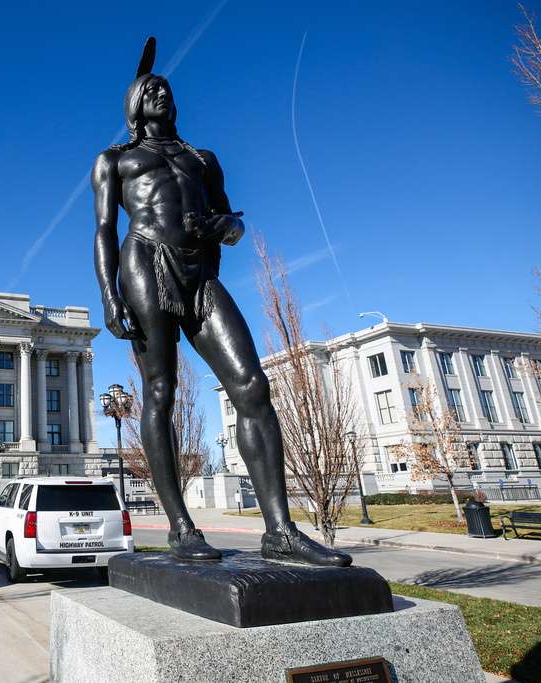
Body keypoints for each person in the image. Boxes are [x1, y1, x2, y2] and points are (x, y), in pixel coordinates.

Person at [92, 38, 350, 567]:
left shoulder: (202, 158)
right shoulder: (117, 160)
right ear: (134, 106)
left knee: (253, 385)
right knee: (160, 388)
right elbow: (102, 229)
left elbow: (234, 221)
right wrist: (109, 295)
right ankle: (182, 528)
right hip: (144, 260)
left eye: (165, 87)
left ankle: (279, 530)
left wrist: (222, 227)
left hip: (201, 273)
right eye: (149, 88)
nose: (160, 90)